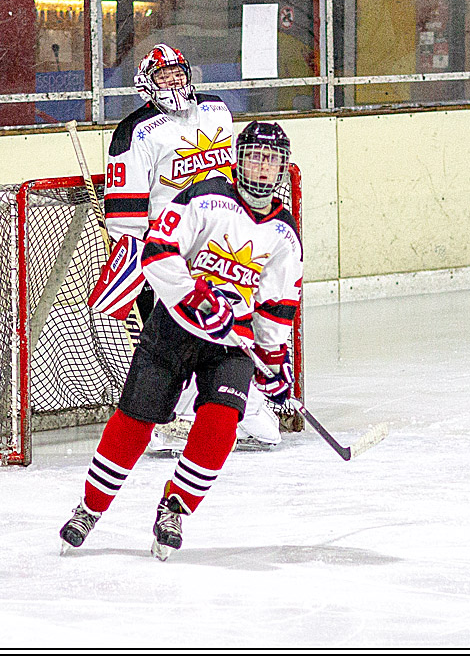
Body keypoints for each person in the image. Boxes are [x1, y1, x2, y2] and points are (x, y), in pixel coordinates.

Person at [61, 121, 302, 561]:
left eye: (272, 160)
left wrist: (274, 362)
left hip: (231, 343)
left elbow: (276, 304)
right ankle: (90, 508)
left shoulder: (285, 235)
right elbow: (157, 251)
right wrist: (194, 294)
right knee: (135, 421)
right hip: (173, 326)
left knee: (221, 423)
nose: (263, 168)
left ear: (282, 168)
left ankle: (174, 509)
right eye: (255, 156)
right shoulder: (205, 196)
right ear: (240, 158)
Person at [90, 43, 283, 451]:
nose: (175, 81)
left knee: (232, 326)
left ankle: (235, 407)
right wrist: (139, 262)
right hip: (172, 249)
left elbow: (236, 177)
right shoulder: (134, 131)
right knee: (177, 340)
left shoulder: (216, 110)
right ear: (147, 84)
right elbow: (125, 215)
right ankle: (167, 418)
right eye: (164, 76)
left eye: (179, 73)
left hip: (224, 244)